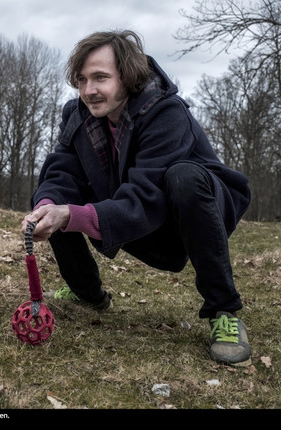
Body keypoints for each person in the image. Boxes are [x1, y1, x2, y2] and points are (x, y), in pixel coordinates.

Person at [22, 30, 252, 367]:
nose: (89, 90)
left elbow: (146, 196)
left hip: (188, 214)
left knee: (183, 177)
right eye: (82, 80)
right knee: (51, 197)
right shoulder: (77, 114)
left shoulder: (167, 112)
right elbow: (62, 172)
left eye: (100, 78)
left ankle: (224, 311)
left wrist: (70, 215)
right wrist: (48, 209)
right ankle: (88, 294)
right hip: (130, 210)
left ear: (127, 77)